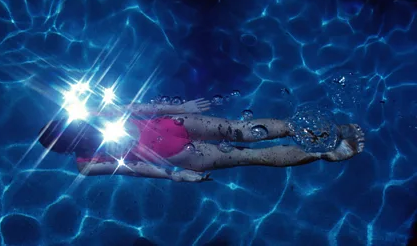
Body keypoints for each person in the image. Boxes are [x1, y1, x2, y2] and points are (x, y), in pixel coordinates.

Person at [38, 98, 365, 182]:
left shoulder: (85, 159)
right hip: (175, 140)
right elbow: (132, 167)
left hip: (175, 139)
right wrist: (174, 174)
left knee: (243, 142)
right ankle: (325, 145)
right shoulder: (88, 160)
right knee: (244, 140)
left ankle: (325, 143)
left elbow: (133, 166)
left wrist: (178, 107)